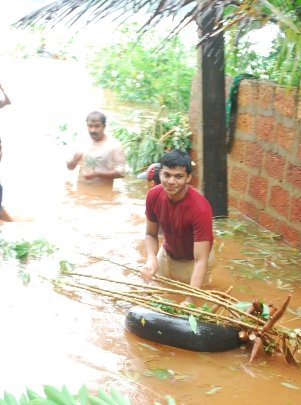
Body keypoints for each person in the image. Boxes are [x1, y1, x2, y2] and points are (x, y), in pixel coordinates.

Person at [141, 149, 214, 304]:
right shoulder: (153, 195)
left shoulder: (200, 208)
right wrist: (151, 258)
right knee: (154, 295)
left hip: (193, 261)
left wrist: (190, 299)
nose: (171, 181)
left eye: (178, 176)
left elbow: (201, 260)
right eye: (167, 175)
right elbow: (150, 234)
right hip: (167, 253)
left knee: (195, 301)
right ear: (160, 174)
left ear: (188, 178)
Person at [66, 111, 126, 186]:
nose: (93, 130)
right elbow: (69, 167)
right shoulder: (81, 141)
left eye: (97, 126)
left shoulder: (115, 145)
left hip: (103, 195)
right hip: (81, 193)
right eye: (90, 126)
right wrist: (74, 160)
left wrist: (98, 174)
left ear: (104, 126)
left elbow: (121, 173)